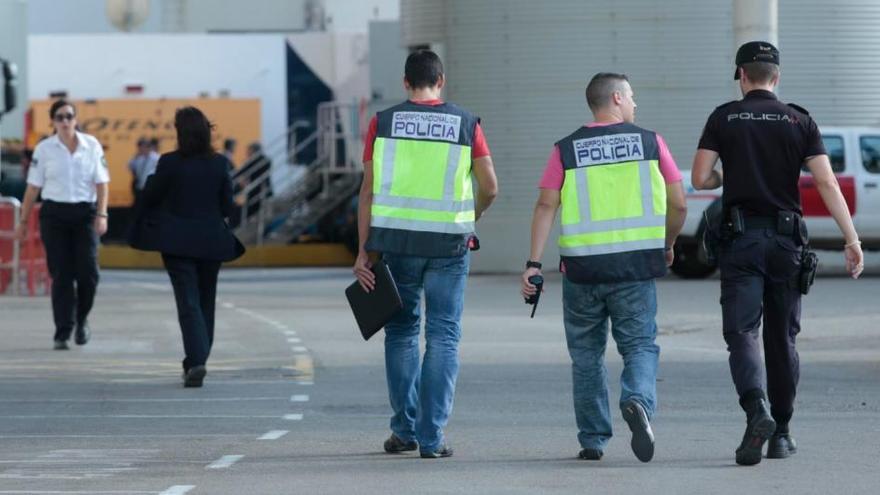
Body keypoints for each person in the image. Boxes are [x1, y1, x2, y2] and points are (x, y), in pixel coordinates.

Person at [691, 41, 864, 466]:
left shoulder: (724, 118)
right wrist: (852, 239)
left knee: (742, 333)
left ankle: (757, 410)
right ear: (777, 77)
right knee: (782, 339)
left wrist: (726, 172)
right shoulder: (799, 120)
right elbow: (825, 183)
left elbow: (700, 177)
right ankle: (782, 433)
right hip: (788, 244)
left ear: (742, 77)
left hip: (741, 242)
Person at [521, 73, 687, 463]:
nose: (635, 104)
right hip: (634, 268)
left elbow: (546, 205)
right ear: (616, 98)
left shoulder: (566, 149)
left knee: (586, 355)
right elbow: (679, 203)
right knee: (640, 345)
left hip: (582, 271)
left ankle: (593, 438)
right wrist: (668, 243)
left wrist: (532, 264)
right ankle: (637, 401)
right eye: (631, 96)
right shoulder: (650, 142)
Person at [353, 49, 498, 459]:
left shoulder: (382, 122)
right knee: (443, 336)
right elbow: (491, 186)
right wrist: (472, 216)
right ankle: (431, 439)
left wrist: (364, 250)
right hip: (449, 245)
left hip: (395, 244)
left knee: (400, 333)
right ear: (442, 80)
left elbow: (368, 190)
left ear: (405, 83)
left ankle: (404, 431)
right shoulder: (466, 123)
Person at [132, 106, 245, 388]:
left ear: (181, 133)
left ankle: (196, 361)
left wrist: (150, 186)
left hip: (177, 242)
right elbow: (227, 206)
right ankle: (198, 359)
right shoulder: (219, 163)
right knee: (206, 301)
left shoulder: (169, 162)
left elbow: (151, 195)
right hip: (211, 241)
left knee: (188, 303)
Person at [14, 100, 109, 350]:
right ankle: (63, 330)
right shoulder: (44, 149)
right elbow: (33, 187)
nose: (65, 122)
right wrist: (22, 221)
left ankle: (82, 318)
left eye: (69, 116)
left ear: (76, 119)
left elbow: (101, 183)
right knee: (62, 274)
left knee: (89, 273)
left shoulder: (91, 146)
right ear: (53, 122)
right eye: (59, 117)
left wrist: (102, 214)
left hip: (84, 213)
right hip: (55, 215)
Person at [237, 142, 272, 218]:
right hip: (259, 191)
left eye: (248, 150)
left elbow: (241, 172)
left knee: (257, 213)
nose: (246, 152)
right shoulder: (264, 159)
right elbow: (241, 172)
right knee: (259, 213)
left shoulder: (258, 160)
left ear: (253, 150)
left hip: (259, 190)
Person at [128, 137, 159, 204]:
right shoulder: (139, 158)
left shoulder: (155, 158)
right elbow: (130, 166)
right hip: (140, 187)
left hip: (151, 187)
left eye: (142, 147)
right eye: (139, 147)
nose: (140, 149)